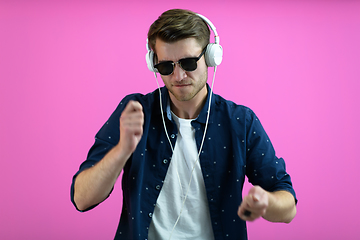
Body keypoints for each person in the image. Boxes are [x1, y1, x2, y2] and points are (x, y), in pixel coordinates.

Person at [71, 9, 297, 240]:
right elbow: (81, 198)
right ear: (153, 64)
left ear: (211, 57)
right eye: (166, 67)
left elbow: (288, 207)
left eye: (188, 63)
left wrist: (267, 202)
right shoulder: (135, 111)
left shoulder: (240, 121)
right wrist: (121, 152)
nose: (178, 76)